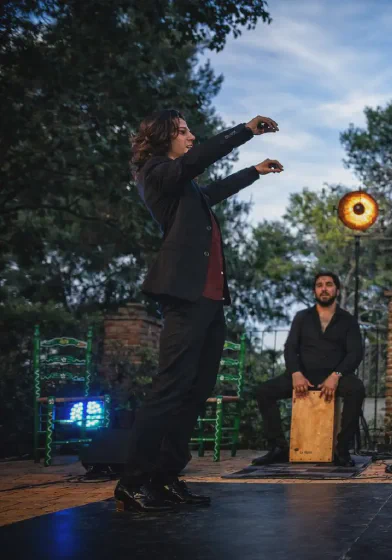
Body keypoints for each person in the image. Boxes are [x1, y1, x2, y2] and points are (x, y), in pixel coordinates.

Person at [116, 110, 283, 513]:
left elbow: (211, 192)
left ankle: (166, 477)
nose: (191, 136)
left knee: (195, 391)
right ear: (162, 139)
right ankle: (133, 483)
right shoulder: (156, 173)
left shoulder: (185, 187)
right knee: (170, 388)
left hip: (209, 299)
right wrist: (244, 131)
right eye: (183, 131)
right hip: (185, 296)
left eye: (190, 130)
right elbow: (197, 162)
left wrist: (254, 172)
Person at [252, 272, 366, 467]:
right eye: (319, 285)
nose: (324, 288)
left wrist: (336, 375)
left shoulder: (348, 320)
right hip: (302, 375)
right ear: (314, 290)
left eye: (329, 284)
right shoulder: (302, 317)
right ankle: (278, 447)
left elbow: (355, 353)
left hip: (333, 376)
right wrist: (296, 373)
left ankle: (342, 449)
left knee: (357, 390)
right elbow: (290, 348)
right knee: (264, 391)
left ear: (336, 290)